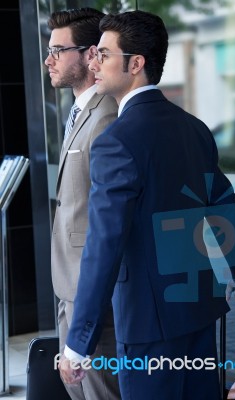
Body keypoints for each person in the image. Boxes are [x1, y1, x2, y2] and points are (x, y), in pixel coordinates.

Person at [58, 10, 235, 400]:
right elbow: (222, 202)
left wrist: (77, 343)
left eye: (104, 54)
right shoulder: (193, 127)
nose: (93, 62)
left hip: (147, 326)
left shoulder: (116, 140)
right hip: (197, 312)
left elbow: (104, 245)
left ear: (136, 64)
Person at [44, 8, 120, 400]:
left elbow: (108, 219)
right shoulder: (79, 113)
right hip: (69, 286)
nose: (48, 59)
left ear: (91, 55)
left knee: (99, 392)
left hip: (90, 292)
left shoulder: (105, 116)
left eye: (59, 50)